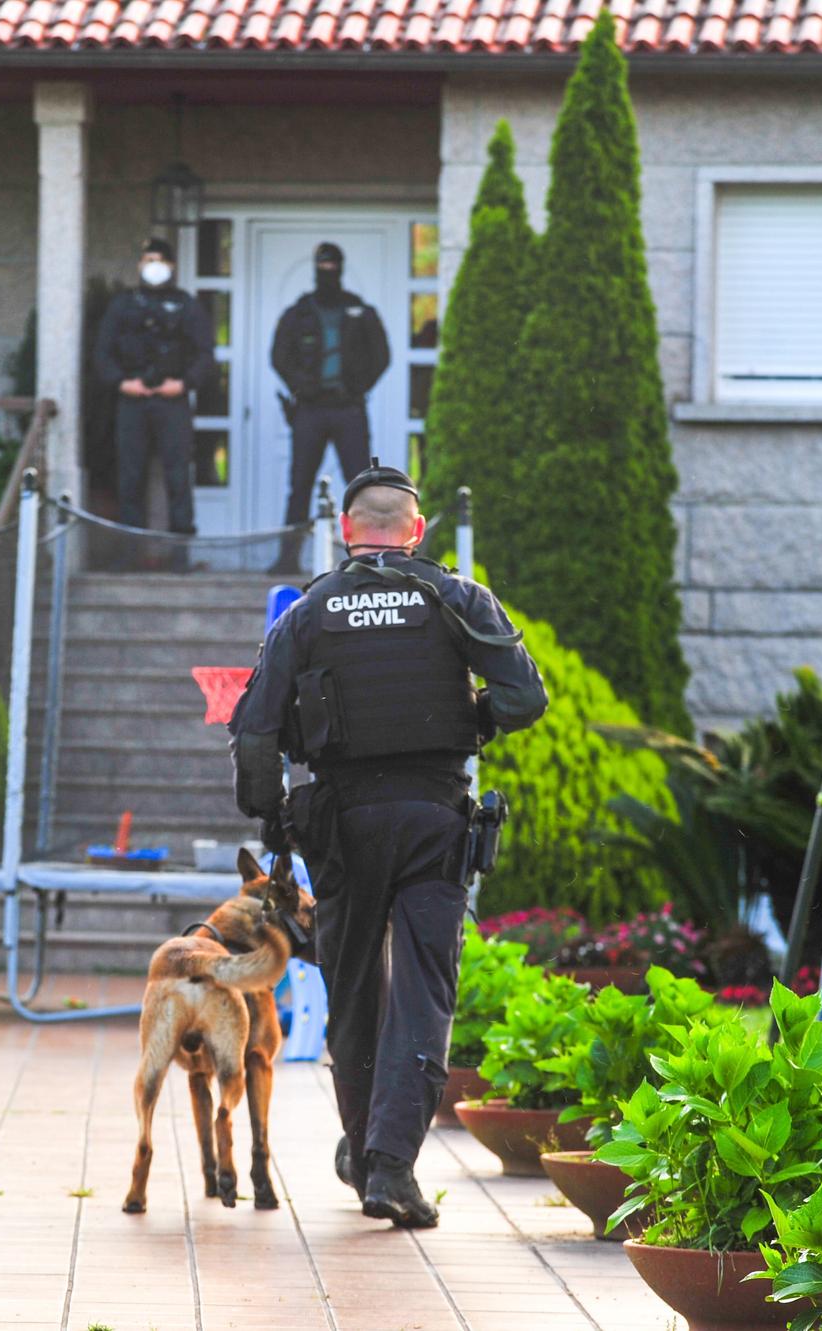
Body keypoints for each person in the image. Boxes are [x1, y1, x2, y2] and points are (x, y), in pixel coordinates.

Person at [225, 460, 547, 1227]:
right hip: (435, 819)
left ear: (346, 531)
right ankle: (390, 1163)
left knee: (354, 989)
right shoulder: (453, 595)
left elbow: (255, 730)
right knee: (423, 992)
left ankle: (365, 1144)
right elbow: (524, 696)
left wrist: (271, 817)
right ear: (416, 530)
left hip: (342, 824)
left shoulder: (309, 610)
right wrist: (474, 717)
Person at [268, 243, 391, 574]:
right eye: (322, 265)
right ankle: (287, 558)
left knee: (361, 485)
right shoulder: (300, 313)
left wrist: (357, 387)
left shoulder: (359, 311)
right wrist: (300, 386)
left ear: (340, 267)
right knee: (300, 485)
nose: (327, 271)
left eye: (332, 265)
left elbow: (381, 357)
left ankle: (367, 557)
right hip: (310, 410)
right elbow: (279, 356)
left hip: (348, 408)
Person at [92, 238, 215, 566]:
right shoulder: (123, 305)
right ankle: (130, 553)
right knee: (129, 477)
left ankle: (180, 556)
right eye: (148, 258)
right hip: (133, 401)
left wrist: (184, 383)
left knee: (178, 477)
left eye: (159, 259)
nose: (154, 265)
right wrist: (122, 382)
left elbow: (205, 353)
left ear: (172, 266)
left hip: (172, 402)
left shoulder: (186, 305)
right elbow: (102, 352)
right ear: (139, 264)